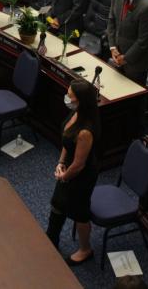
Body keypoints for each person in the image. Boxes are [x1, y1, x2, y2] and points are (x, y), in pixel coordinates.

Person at [46, 79, 100, 265]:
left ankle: (86, 249)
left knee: (79, 213)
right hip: (69, 167)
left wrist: (64, 176)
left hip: (81, 175)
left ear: (80, 101)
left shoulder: (86, 131)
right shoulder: (75, 113)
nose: (67, 98)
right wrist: (61, 162)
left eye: (70, 96)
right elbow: (66, 141)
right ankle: (51, 239)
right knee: (57, 203)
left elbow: (79, 164)